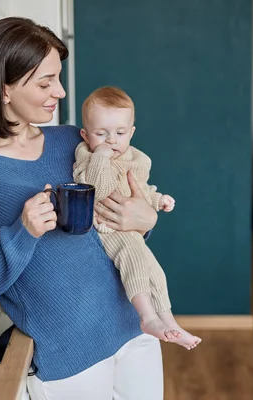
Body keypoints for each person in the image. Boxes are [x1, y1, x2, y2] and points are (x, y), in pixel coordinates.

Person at [0, 17, 162, 399]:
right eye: (45, 82)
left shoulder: (70, 141)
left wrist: (147, 219)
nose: (59, 91)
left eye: (57, 78)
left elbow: (117, 218)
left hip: (134, 329)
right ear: (3, 88)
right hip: (68, 361)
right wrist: (22, 232)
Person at [74, 86, 202, 350]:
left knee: (154, 270)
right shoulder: (87, 155)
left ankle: (169, 321)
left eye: (120, 133)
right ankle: (147, 317)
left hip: (130, 230)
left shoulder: (138, 159)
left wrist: (157, 200)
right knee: (132, 254)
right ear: (86, 135)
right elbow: (99, 189)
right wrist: (100, 157)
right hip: (105, 228)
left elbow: (140, 189)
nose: (111, 141)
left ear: (131, 132)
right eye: (101, 134)